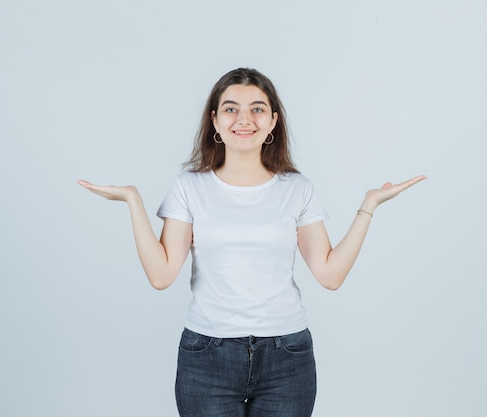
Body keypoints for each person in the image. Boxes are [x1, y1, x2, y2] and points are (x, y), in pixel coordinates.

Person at [78, 67, 426, 417]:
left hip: (287, 356)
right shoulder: (189, 186)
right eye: (231, 109)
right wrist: (133, 201)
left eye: (257, 109)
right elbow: (162, 275)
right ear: (214, 120)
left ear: (273, 121)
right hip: (207, 355)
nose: (244, 119)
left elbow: (329, 275)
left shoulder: (297, 188)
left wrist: (369, 206)